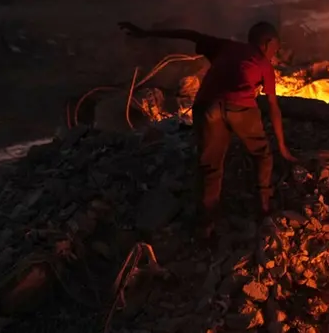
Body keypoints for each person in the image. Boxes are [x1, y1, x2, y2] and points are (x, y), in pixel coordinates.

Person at [118, 20, 296, 237]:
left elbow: (189, 33)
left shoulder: (225, 46)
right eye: (276, 47)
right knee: (262, 154)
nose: (275, 53)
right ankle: (264, 206)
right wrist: (282, 146)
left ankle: (207, 222)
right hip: (239, 107)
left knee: (210, 166)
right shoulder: (263, 63)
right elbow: (273, 107)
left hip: (206, 107)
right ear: (268, 43)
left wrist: (146, 32)